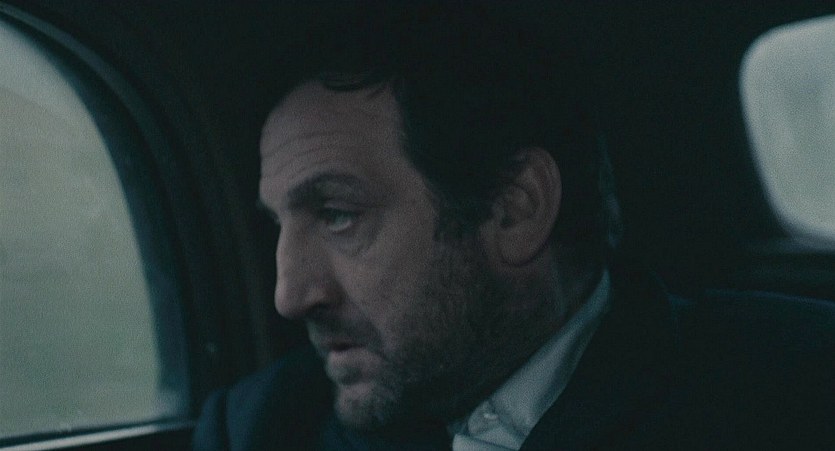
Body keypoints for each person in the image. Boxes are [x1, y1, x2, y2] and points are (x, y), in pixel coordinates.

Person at [193, 3, 835, 450]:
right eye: (279, 224)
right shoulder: (261, 429)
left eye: (337, 215)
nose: (288, 295)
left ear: (514, 209)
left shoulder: (796, 393)